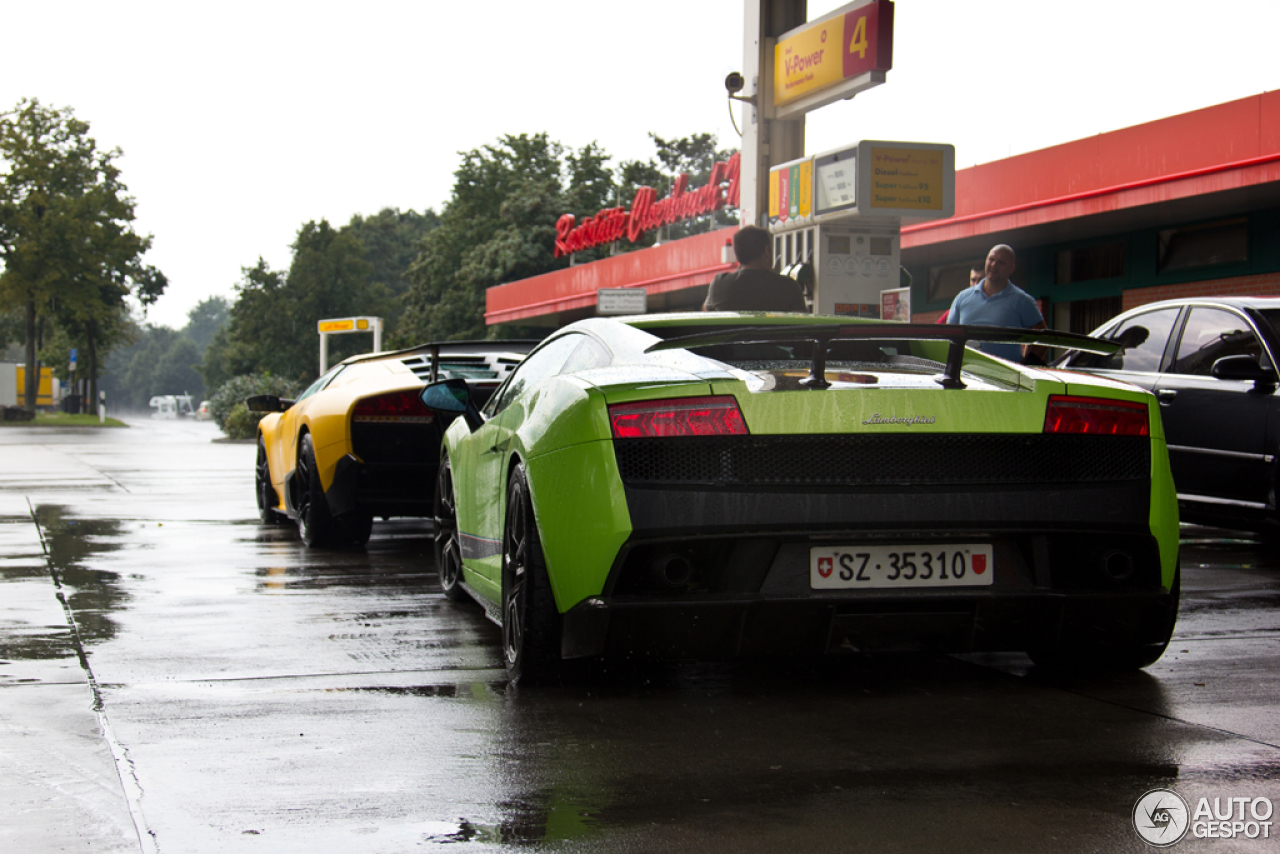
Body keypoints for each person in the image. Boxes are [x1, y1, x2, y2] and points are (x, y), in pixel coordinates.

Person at [946, 244, 1047, 364]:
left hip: (1005, 378)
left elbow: (1042, 338)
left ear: (1011, 269)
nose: (994, 265)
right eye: (991, 259)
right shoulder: (962, 298)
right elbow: (948, 337)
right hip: (966, 375)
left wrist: (1026, 365)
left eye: (1001, 262)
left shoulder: (1022, 301)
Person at [703, 225, 807, 312]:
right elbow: (803, 325)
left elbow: (705, 314)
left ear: (737, 253)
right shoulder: (789, 287)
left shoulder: (719, 284)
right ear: (766, 251)